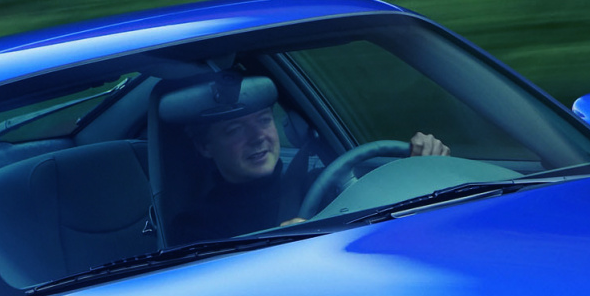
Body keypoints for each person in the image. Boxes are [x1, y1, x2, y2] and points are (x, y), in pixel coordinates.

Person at [161, 73, 449, 243]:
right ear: (205, 147)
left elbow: (396, 232)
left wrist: (426, 171)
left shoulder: (326, 186)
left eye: (263, 120)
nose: (258, 136)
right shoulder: (195, 228)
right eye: (234, 130)